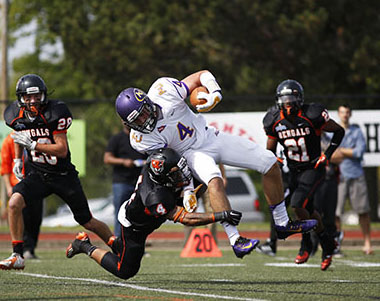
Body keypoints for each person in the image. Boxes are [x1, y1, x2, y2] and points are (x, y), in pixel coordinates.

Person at [114, 70, 318, 259]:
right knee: (214, 180)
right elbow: (171, 160)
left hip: (210, 136)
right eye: (136, 120)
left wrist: (214, 93)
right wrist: (187, 188)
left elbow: (202, 75)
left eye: (142, 112)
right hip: (190, 153)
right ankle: (235, 239)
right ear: (128, 124)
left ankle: (282, 223)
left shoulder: (163, 90)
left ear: (148, 101)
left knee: (269, 162)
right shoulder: (140, 139)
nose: (143, 120)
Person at [66, 148, 242, 280]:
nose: (181, 174)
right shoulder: (156, 197)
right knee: (125, 270)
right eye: (175, 173)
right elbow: (186, 219)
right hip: (135, 227)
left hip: (143, 213)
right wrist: (220, 216)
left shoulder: (155, 167)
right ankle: (84, 246)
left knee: (122, 248)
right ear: (163, 176)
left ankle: (113, 244)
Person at [0, 74, 115, 270]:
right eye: (28, 98)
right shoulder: (15, 114)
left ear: (44, 96)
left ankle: (117, 246)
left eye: (37, 96)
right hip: (37, 175)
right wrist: (18, 159)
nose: (33, 101)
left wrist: (34, 144)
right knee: (14, 203)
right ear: (21, 99)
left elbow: (61, 150)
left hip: (62, 176)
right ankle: (17, 255)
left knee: (87, 221)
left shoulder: (55, 112)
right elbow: (18, 134)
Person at [262, 79, 345, 270]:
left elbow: (338, 131)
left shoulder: (312, 114)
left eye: (291, 98)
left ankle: (306, 243)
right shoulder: (273, 120)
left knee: (297, 204)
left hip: (312, 167)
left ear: (299, 99)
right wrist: (276, 159)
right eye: (284, 99)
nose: (288, 102)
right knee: (309, 210)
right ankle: (328, 244)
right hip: (292, 171)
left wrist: (327, 155)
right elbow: (270, 149)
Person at [333, 105, 373, 255]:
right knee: (336, 213)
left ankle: (367, 243)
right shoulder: (333, 131)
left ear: (350, 114)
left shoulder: (356, 131)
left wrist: (341, 151)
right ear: (339, 114)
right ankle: (336, 245)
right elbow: (329, 153)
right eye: (343, 112)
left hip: (356, 174)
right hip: (339, 176)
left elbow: (359, 151)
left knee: (363, 211)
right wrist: (347, 152)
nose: (345, 115)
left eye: (347, 112)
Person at [1, 133, 44, 260]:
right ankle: (23, 248)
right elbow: (5, 167)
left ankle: (31, 248)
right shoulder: (9, 140)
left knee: (36, 217)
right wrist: (9, 187)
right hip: (19, 184)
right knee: (22, 216)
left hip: (36, 182)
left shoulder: (36, 135)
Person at [104, 123, 147, 237]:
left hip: (140, 182)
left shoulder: (142, 138)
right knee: (120, 213)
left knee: (138, 214)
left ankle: (136, 242)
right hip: (122, 182)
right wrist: (123, 162)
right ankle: (119, 243)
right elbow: (107, 158)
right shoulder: (117, 139)